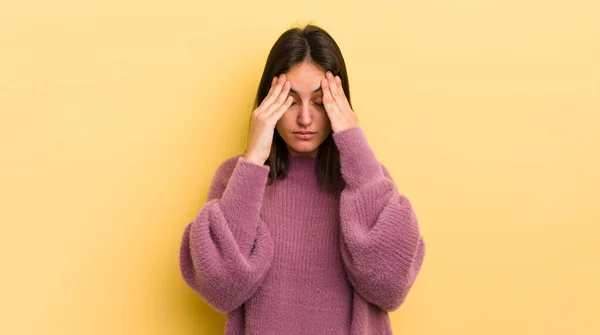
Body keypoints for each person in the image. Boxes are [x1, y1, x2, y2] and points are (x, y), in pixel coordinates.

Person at [179, 23, 426, 334]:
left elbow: (390, 285)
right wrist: (254, 159)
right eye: (290, 101)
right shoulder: (237, 178)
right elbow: (222, 289)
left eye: (321, 103)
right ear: (267, 102)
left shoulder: (365, 180)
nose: (305, 119)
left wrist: (354, 143)